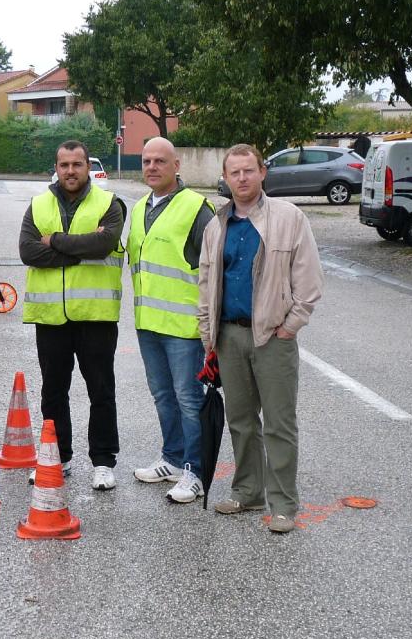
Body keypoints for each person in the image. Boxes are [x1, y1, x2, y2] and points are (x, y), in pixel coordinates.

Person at [197, 143, 324, 533]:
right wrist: (209, 336)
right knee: (240, 420)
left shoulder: (289, 217)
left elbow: (309, 280)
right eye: (234, 172)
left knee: (279, 424)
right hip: (230, 336)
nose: (242, 178)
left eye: (248, 170)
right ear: (225, 177)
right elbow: (205, 281)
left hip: (273, 337)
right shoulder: (217, 225)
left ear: (262, 172)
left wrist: (290, 326)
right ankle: (248, 492)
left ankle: (284, 503)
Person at [19, 140, 125, 491]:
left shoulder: (110, 204)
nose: (70, 171)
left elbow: (104, 244)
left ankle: (103, 461)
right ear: (56, 167)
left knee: (101, 391)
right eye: (64, 165)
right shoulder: (37, 205)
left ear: (87, 167)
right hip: (50, 317)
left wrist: (55, 241)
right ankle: (58, 457)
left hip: (95, 316)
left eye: (77, 164)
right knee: (53, 391)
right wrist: (79, 249)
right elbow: (28, 251)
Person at [129, 137, 215, 504]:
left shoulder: (197, 209)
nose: (152, 167)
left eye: (160, 161)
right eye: (147, 161)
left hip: (183, 329)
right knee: (163, 396)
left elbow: (214, 268)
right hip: (148, 324)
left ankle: (194, 471)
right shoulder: (138, 209)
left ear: (176, 165)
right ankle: (172, 458)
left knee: (188, 398)